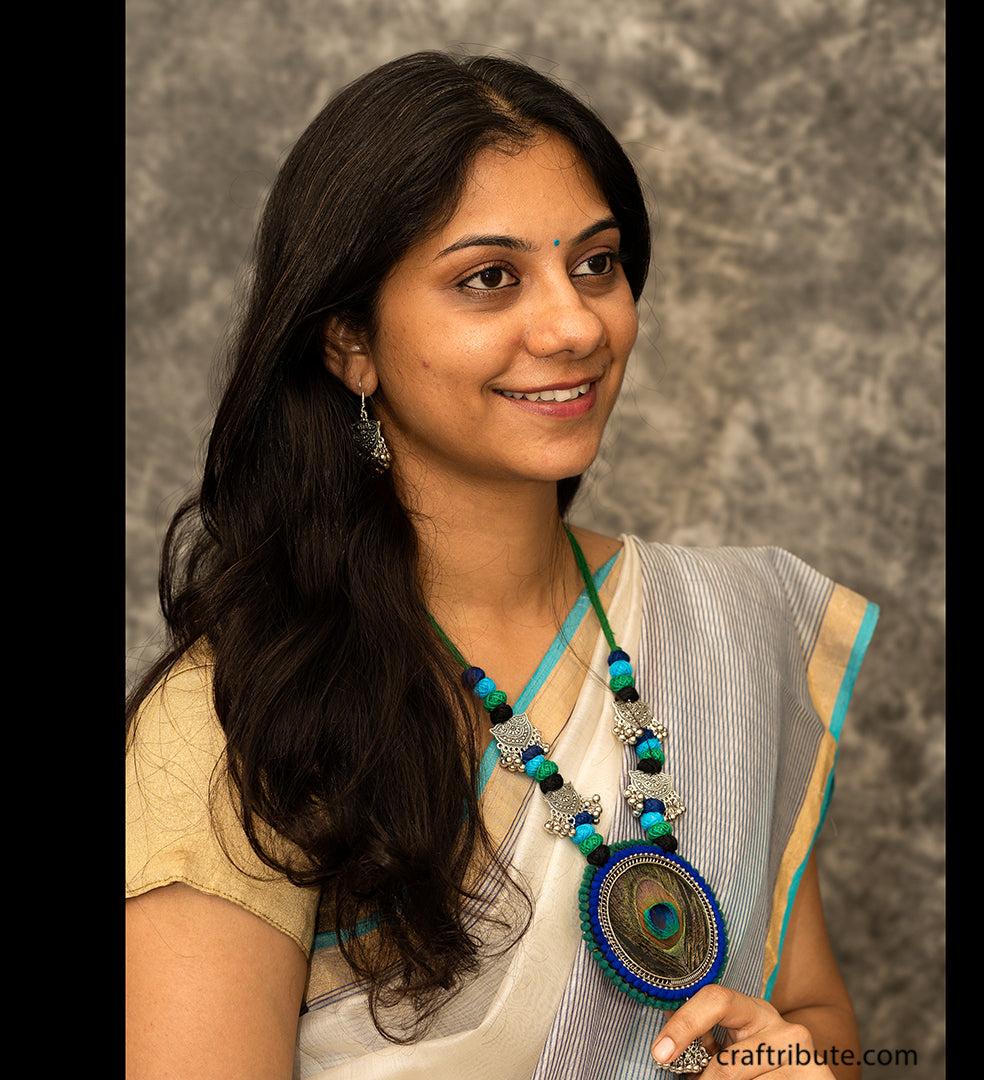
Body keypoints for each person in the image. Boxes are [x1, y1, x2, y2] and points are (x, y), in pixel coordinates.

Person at [125, 51, 878, 1079]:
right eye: (489, 278)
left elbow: (817, 1013)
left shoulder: (726, 626)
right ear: (350, 339)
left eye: (596, 264)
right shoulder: (242, 716)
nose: (575, 326)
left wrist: (796, 1065)